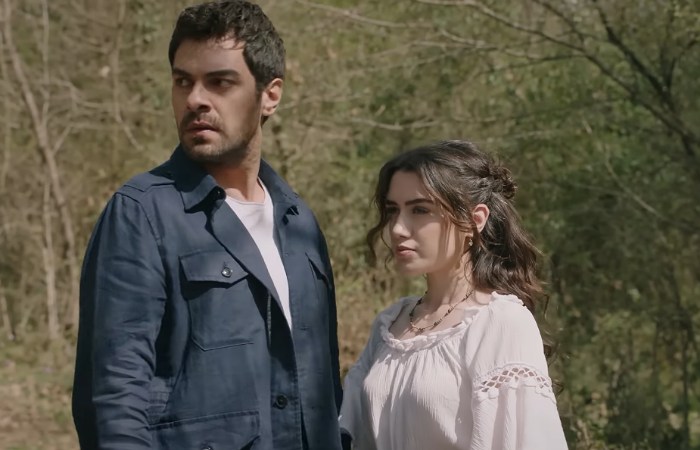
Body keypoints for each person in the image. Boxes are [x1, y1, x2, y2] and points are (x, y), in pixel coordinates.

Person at [72, 1, 343, 449]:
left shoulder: (300, 223)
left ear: (270, 95)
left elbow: (325, 391)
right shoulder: (143, 213)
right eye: (183, 81)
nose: (195, 99)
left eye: (220, 82)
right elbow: (114, 401)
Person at [339, 140, 568, 450]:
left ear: (475, 220)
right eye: (393, 210)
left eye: (420, 210)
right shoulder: (389, 324)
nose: (397, 229)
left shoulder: (500, 323)